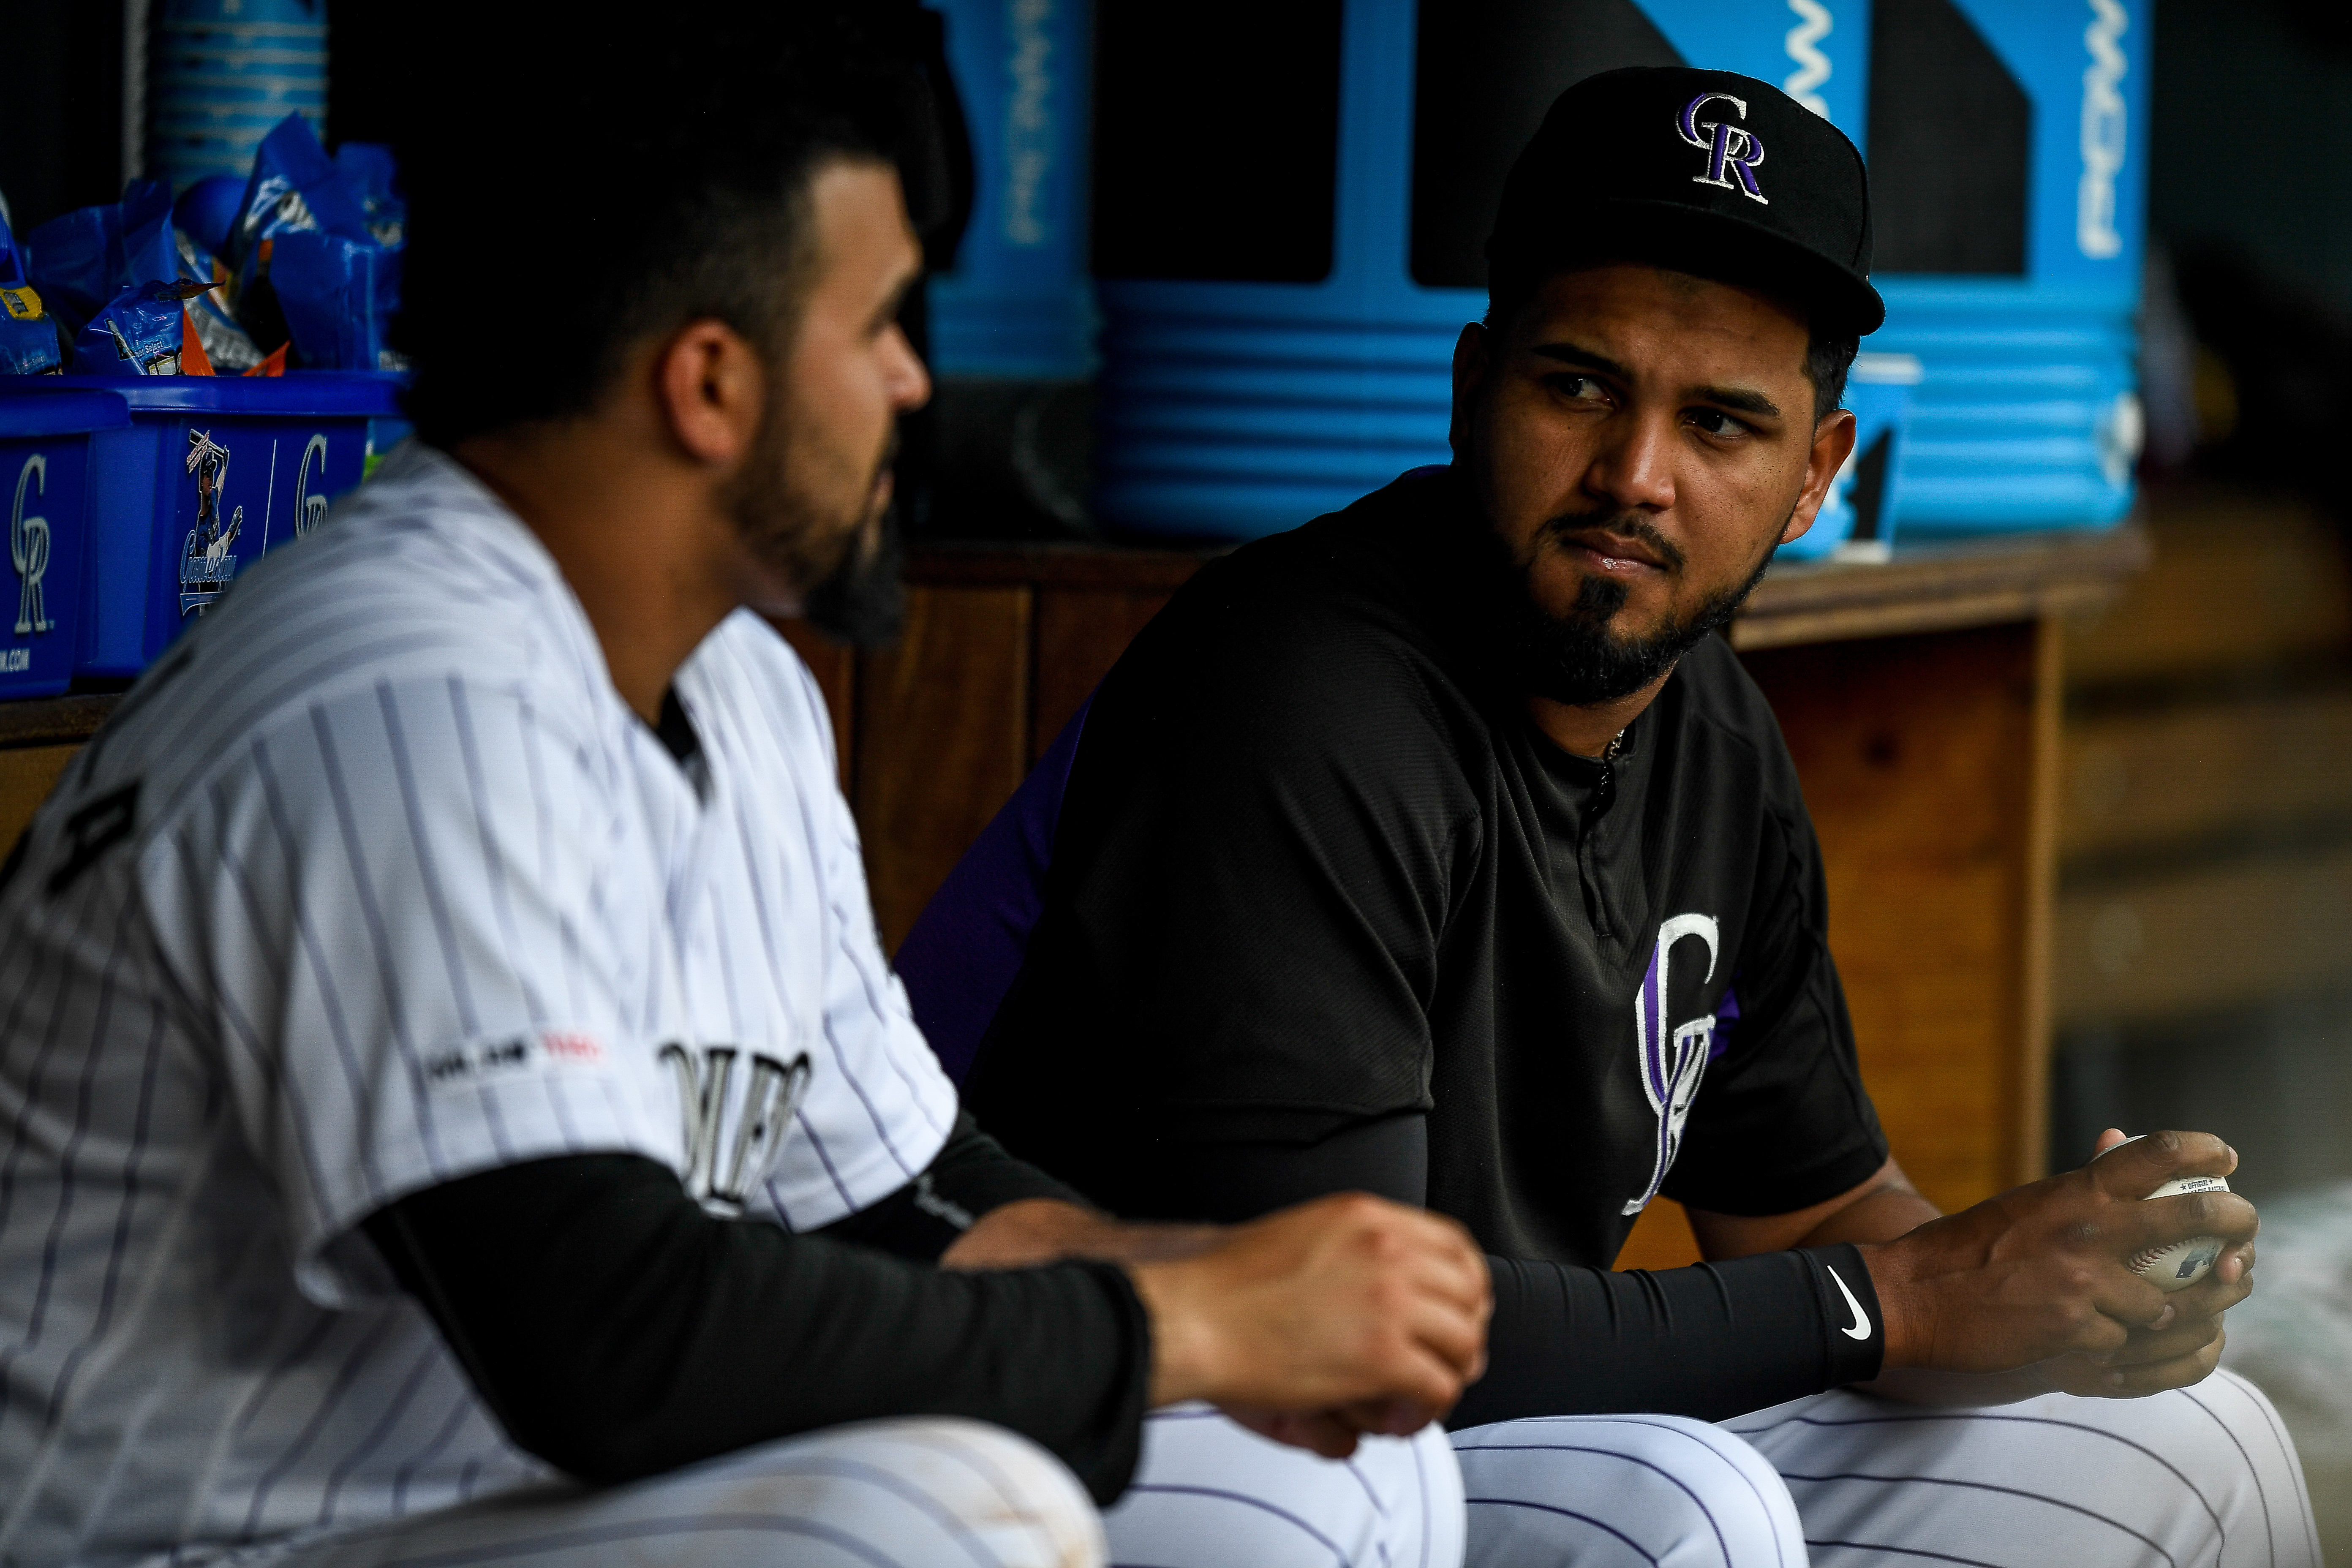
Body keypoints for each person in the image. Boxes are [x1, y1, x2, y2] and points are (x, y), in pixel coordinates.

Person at [0, 11, 1491, 1567]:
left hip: (483, 1504)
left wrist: (1259, 1292)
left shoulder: (737, 684)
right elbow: (609, 1332)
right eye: (885, 325)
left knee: (1345, 1480)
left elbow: (890, 1201)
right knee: (944, 1526)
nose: (916, 385)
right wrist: (1182, 1318)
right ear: (711, 385)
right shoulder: (404, 691)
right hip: (178, 1537)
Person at [952, 67, 2322, 1567]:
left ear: (1815, 476)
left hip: (1474, 1425)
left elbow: (1806, 1218)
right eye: (1580, 386)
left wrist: (2061, 1279)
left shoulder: (1710, 728)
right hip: (1141, 1420)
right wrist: (1912, 1297)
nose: (1636, 477)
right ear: (1476, 383)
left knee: (2192, 1449)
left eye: (1722, 423)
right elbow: (1343, 1319)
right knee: (1689, 1509)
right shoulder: (1295, 690)